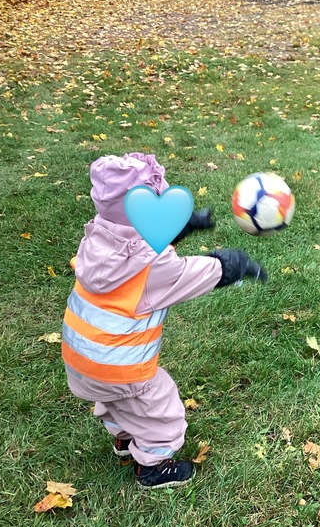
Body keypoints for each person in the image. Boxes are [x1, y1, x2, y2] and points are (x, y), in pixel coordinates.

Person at [61, 152, 266, 489]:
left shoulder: (97, 239)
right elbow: (187, 274)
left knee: (118, 401)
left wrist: (180, 229)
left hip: (81, 360)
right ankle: (153, 467)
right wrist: (231, 265)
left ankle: (126, 439)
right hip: (120, 368)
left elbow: (138, 243)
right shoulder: (153, 270)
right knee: (161, 408)